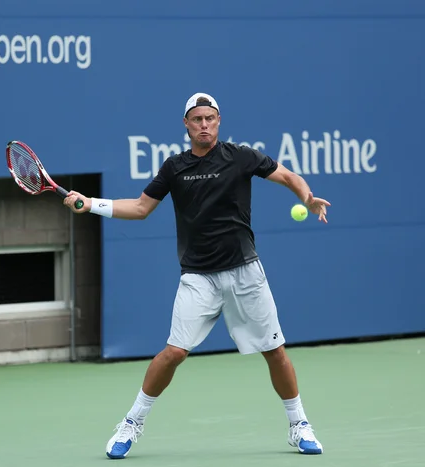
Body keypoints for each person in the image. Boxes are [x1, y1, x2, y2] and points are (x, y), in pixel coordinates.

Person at [63, 92, 331, 459]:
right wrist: (91, 204)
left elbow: (286, 175)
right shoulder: (174, 168)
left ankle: (299, 424)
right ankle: (132, 421)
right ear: (186, 125)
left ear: (218, 120)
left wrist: (307, 197)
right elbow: (141, 208)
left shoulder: (241, 157)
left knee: (274, 350)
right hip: (198, 277)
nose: (204, 125)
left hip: (245, 272)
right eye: (197, 119)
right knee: (173, 353)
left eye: (210, 118)